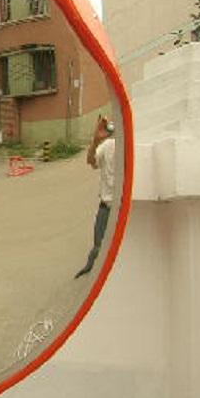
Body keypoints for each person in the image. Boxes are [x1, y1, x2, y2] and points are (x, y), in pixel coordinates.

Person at [75, 116, 116, 278]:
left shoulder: (133, 147)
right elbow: (91, 161)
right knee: (98, 246)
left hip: (125, 207)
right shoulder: (108, 145)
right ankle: (90, 268)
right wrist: (95, 140)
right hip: (107, 206)